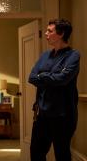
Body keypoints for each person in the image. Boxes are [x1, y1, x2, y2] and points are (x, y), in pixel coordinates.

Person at [28, 19, 80, 161]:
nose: (46, 34)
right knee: (36, 152)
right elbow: (32, 77)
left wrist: (43, 76)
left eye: (50, 31)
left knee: (62, 154)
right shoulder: (45, 55)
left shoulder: (73, 56)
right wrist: (51, 77)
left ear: (61, 33)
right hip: (42, 114)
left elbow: (63, 79)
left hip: (63, 115)